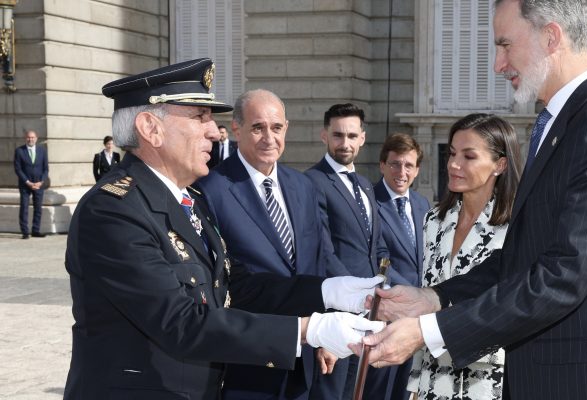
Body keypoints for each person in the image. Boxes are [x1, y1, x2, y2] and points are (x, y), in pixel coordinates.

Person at [357, 1, 587, 399]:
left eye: (505, 45)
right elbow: (522, 256)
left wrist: (429, 332)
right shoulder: (565, 123)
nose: (497, 64)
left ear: (551, 36)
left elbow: (562, 275)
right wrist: (433, 297)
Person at [63, 58, 385, 400]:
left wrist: (328, 291)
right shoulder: (113, 210)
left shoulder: (189, 199)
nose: (214, 132)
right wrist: (308, 330)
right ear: (150, 128)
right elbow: (180, 321)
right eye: (199, 117)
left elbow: (236, 289)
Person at [196, 89, 348, 400]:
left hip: (304, 359)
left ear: (286, 129)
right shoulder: (210, 190)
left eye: (276, 128)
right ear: (236, 129)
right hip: (247, 361)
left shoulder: (304, 187)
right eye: (258, 127)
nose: (269, 138)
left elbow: (317, 263)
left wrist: (322, 335)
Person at [407, 114, 521, 399]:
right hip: (433, 379)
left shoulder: (519, 227)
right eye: (452, 153)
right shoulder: (433, 220)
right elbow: (427, 297)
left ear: (500, 164)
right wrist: (414, 385)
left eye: (469, 156)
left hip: (490, 382)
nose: (454, 164)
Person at [305, 103, 387, 399]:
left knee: (355, 391)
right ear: (324, 136)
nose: (345, 143)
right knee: (330, 392)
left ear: (362, 138)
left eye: (352, 136)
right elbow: (323, 253)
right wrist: (354, 297)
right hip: (337, 311)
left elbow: (376, 246)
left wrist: (382, 289)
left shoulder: (365, 185)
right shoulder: (312, 182)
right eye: (338, 135)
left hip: (366, 310)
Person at [373, 133, 430, 400]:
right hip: (387, 314)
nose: (401, 172)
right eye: (395, 164)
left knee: (406, 391)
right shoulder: (369, 203)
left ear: (417, 170)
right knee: (379, 391)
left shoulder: (422, 205)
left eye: (408, 165)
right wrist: (410, 298)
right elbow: (375, 258)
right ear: (382, 165)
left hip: (418, 319)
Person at [14, 129, 48, 239]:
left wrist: (41, 181)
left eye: (33, 137)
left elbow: (46, 169)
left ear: (36, 138)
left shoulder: (42, 150)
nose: (30, 139)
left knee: (38, 208)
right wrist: (28, 182)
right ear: (25, 138)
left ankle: (35, 230)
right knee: (24, 208)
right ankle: (25, 232)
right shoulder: (19, 151)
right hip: (25, 185)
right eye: (28, 137)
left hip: (39, 184)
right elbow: (18, 169)